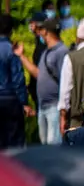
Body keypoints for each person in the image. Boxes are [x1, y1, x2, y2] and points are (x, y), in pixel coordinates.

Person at [17, 19, 67, 145]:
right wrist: (22, 56)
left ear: (46, 31)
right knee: (45, 148)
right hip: (43, 106)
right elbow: (39, 74)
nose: (39, 33)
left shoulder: (61, 51)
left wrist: (63, 112)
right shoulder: (46, 52)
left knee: (52, 148)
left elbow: (66, 81)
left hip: (54, 106)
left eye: (41, 30)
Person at [0, 14, 30, 148]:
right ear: (11, 30)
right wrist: (24, 102)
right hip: (10, 99)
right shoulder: (11, 50)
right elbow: (18, 78)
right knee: (14, 144)